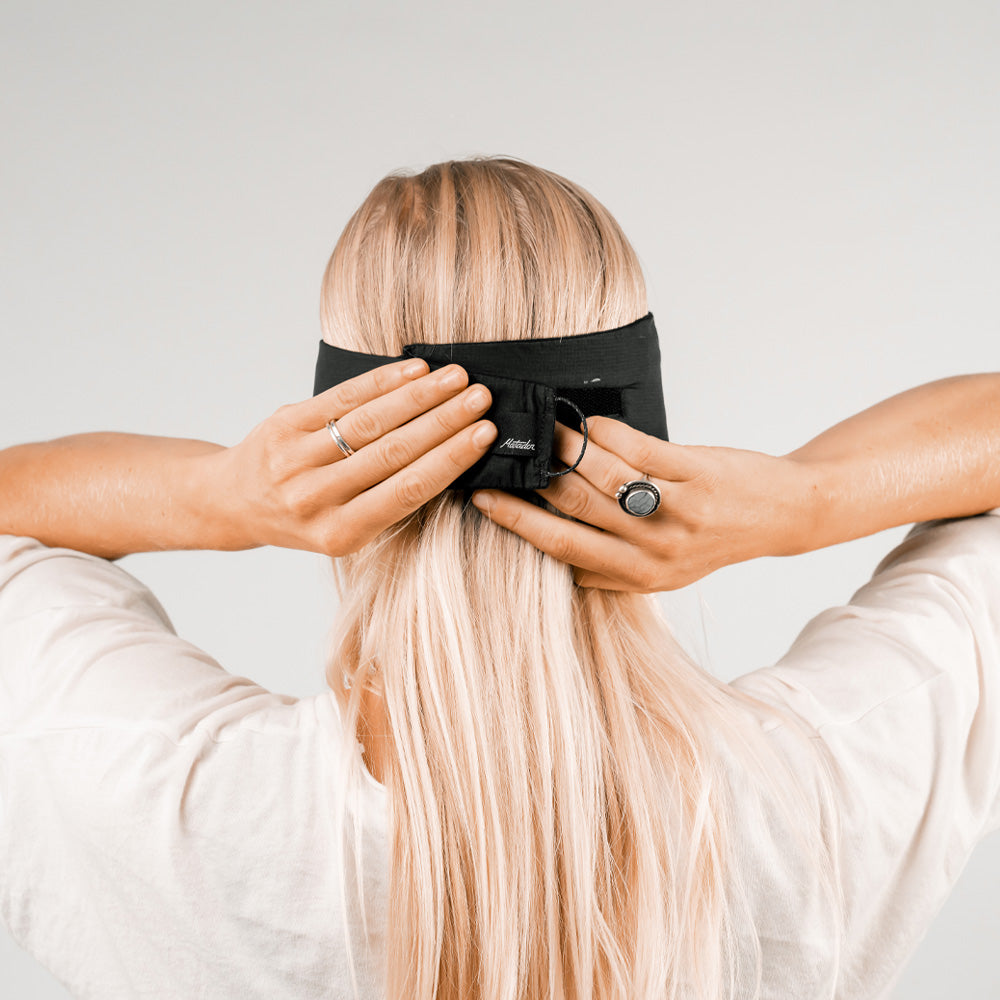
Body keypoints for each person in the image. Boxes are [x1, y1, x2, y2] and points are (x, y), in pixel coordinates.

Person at [0, 155, 997, 1000]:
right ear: (640, 428)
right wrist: (803, 499)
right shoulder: (819, 788)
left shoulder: (156, 786)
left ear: (326, 440)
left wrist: (220, 495)